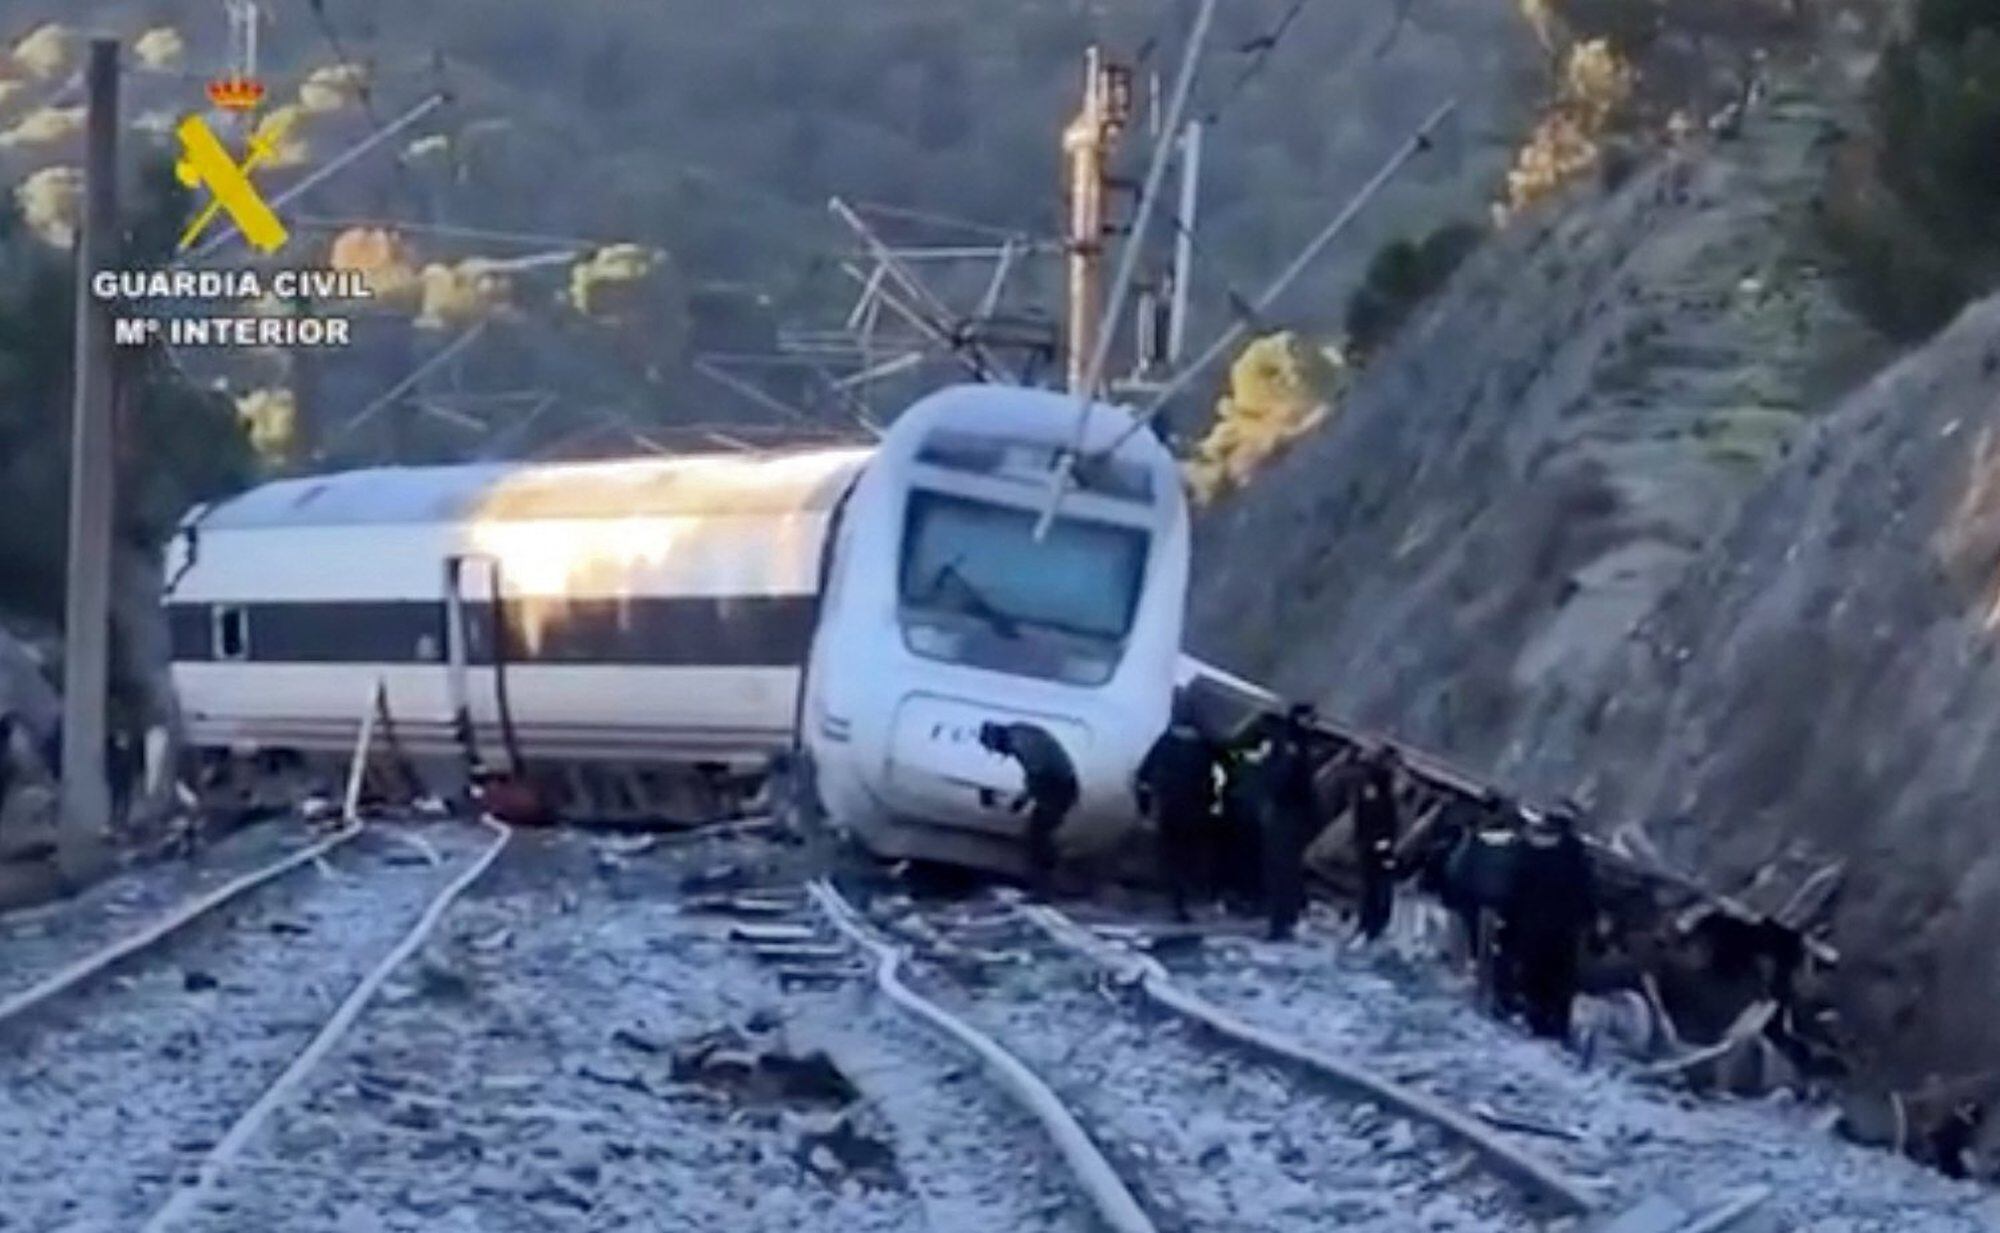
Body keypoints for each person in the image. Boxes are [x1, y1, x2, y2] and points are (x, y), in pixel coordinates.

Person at [1501, 804, 1597, 1041]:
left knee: (1533, 988)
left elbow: (1512, 894)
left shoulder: (1525, 850)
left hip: (1529, 933)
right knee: (1560, 992)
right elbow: (1586, 897)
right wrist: (1591, 930)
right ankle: (1557, 1034)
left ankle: (1535, 1028)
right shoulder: (1575, 853)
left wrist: (1508, 931)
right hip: (1562, 936)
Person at [1135, 693, 1222, 922]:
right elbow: (1218, 774)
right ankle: (1196, 897)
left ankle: (1178, 902)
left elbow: (1144, 775)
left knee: (1171, 857)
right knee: (1193, 857)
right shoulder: (1205, 744)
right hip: (1197, 809)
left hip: (1170, 808)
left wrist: (1145, 807)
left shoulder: (1166, 743)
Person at [979, 720, 1078, 895]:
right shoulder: (1019, 733)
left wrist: (1022, 800)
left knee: (1038, 833)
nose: (1004, 754)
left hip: (1059, 785)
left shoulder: (1020, 743)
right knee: (1039, 831)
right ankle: (1049, 876)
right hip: (1057, 782)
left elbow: (1038, 774)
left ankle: (1049, 882)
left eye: (998, 750)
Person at [1258, 704, 1328, 942]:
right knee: (1284, 870)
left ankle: (1285, 919)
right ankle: (1281, 922)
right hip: (1287, 814)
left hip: (1287, 814)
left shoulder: (1291, 743)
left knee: (1286, 870)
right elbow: (1290, 782)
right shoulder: (1292, 746)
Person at [1351, 747, 1402, 942]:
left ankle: (1370, 925)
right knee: (1376, 886)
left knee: (1373, 885)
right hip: (1376, 845)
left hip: (1371, 843)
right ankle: (1372, 926)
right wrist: (1383, 844)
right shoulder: (1377, 786)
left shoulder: (1376, 783)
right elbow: (1376, 816)